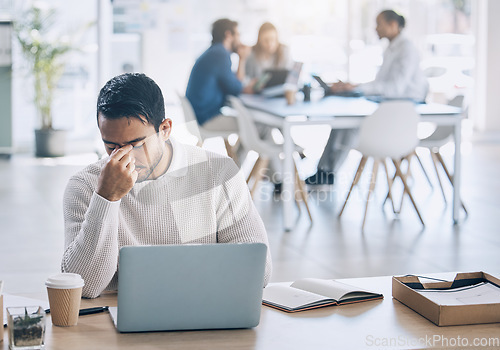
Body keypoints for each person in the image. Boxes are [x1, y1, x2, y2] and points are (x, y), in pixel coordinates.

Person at [61, 73, 272, 298]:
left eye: (136, 144)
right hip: (118, 317)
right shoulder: (85, 186)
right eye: (111, 146)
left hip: (204, 310)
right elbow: (84, 287)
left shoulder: (219, 173)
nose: (124, 157)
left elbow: (258, 273)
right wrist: (106, 198)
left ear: (165, 129)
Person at [306, 9, 429, 186]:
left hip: (402, 110)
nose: (375, 28)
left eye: (379, 24)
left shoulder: (407, 50)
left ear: (393, 25)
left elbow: (394, 88)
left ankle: (328, 171)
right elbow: (382, 83)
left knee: (352, 125)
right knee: (342, 119)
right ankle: (324, 171)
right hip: (387, 104)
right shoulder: (391, 48)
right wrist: (355, 86)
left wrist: (359, 88)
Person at [186, 18, 254, 132]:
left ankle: (236, 151)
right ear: (228, 35)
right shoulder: (220, 54)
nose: (239, 40)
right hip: (206, 119)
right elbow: (236, 88)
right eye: (237, 35)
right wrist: (242, 59)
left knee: (248, 123)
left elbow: (232, 81)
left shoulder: (214, 52)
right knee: (252, 126)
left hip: (198, 116)